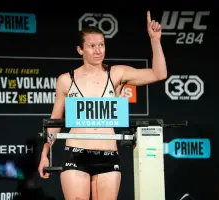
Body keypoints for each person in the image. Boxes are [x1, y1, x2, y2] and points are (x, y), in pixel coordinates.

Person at [38, 11, 167, 200]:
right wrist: (45, 154)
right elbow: (55, 120)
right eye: (92, 46)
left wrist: (155, 40)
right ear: (80, 50)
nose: (98, 51)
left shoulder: (117, 74)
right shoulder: (66, 80)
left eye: (101, 45)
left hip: (108, 154)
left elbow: (159, 74)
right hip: (76, 154)